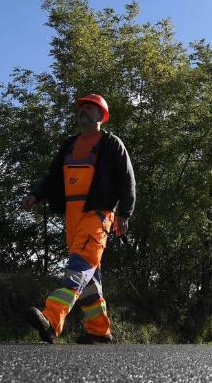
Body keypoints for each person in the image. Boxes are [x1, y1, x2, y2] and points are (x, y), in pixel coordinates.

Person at [23, 94, 136, 344]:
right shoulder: (69, 145)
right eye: (82, 107)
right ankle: (98, 330)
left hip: (98, 215)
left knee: (78, 267)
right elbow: (53, 177)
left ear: (101, 116)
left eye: (89, 108)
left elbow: (127, 180)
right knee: (89, 277)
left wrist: (125, 213)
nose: (83, 111)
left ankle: (52, 318)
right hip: (72, 218)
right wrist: (35, 194)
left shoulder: (111, 144)